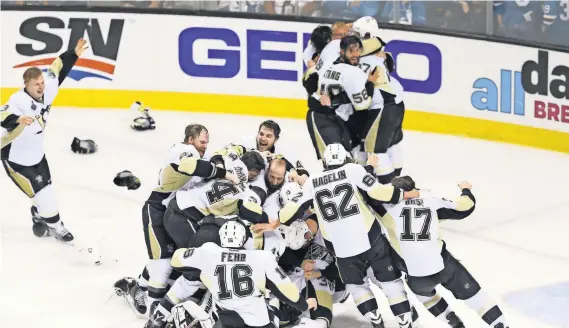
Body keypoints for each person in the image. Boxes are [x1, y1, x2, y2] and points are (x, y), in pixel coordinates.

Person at [277, 143, 420, 328]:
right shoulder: (353, 169)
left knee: (357, 286)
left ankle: (375, 320)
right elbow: (379, 192)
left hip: (342, 251)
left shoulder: (313, 181)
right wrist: (404, 194)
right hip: (370, 240)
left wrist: (282, 219)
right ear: (344, 158)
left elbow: (285, 215)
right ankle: (405, 319)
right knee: (390, 281)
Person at [115, 124, 240, 315]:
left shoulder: (199, 155)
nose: (205, 146)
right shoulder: (182, 150)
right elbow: (190, 166)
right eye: (202, 141)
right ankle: (153, 311)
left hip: (174, 213)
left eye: (207, 142)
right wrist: (225, 173)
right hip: (156, 209)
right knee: (162, 264)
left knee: (171, 256)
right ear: (191, 139)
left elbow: (214, 160)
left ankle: (138, 286)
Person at [375, 176, 510, 328]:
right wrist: (466, 190)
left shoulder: (386, 211)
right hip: (445, 267)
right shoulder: (432, 203)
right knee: (476, 297)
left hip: (417, 276)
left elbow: (369, 194)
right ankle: (499, 324)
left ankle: (450, 318)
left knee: (425, 297)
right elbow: (465, 207)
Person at [147, 220, 317, 328]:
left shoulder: (209, 251)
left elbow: (176, 260)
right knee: (273, 310)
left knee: (189, 283)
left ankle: (161, 316)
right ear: (244, 240)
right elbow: (286, 289)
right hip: (255, 318)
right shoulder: (261, 257)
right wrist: (304, 305)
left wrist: (198, 258)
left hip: (224, 315)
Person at [1, 38, 88, 242]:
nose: (41, 87)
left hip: (37, 155)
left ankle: (39, 213)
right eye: (36, 85)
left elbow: (58, 67)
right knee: (44, 195)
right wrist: (18, 119)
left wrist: (74, 53)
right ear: (26, 85)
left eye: (41, 83)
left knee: (41, 191)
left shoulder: (47, 87)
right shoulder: (18, 101)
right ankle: (57, 226)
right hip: (15, 159)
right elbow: (2, 116)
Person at [302, 26, 385, 162]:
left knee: (342, 161)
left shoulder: (329, 51)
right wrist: (369, 83)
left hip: (332, 115)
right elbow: (362, 105)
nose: (356, 54)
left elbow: (309, 81)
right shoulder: (353, 73)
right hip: (324, 116)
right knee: (339, 162)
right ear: (342, 51)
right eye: (352, 51)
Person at [350, 16, 406, 183]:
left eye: (356, 33)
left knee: (374, 150)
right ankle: (398, 181)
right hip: (396, 103)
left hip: (383, 107)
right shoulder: (383, 54)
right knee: (392, 144)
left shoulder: (361, 55)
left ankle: (389, 189)